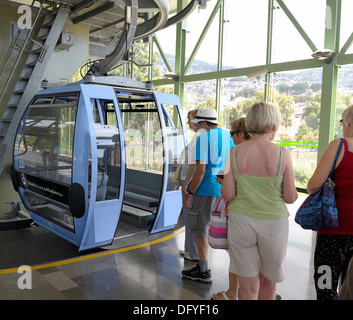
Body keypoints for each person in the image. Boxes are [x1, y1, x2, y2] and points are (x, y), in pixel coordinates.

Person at [221, 102, 297, 299]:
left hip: (241, 221)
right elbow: (290, 197)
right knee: (268, 281)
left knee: (246, 284)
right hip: (274, 223)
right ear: (272, 124)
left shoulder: (234, 152)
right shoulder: (282, 153)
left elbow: (227, 193)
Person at [182, 108, 234, 283]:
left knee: (201, 231)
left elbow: (200, 170)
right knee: (226, 231)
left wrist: (190, 193)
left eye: (197, 123)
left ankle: (204, 270)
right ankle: (240, 271)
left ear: (203, 123)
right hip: (224, 190)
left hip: (205, 191)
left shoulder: (203, 138)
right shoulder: (229, 136)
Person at [307, 104, 353, 300]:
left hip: (334, 227)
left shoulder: (340, 145)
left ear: (349, 123)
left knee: (326, 284)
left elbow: (313, 186)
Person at [212, 117, 251, 300]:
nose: (232, 137)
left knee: (236, 256)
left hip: (239, 212)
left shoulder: (235, 153)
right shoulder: (273, 151)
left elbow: (228, 191)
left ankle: (231, 294)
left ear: (241, 134)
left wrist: (223, 182)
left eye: (232, 133)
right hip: (266, 216)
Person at [179, 109, 205, 261]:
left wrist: (187, 183)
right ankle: (190, 249)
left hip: (189, 180)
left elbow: (195, 164)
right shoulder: (198, 136)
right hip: (189, 179)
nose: (188, 122)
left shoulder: (198, 137)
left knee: (190, 217)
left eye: (189, 119)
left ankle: (192, 252)